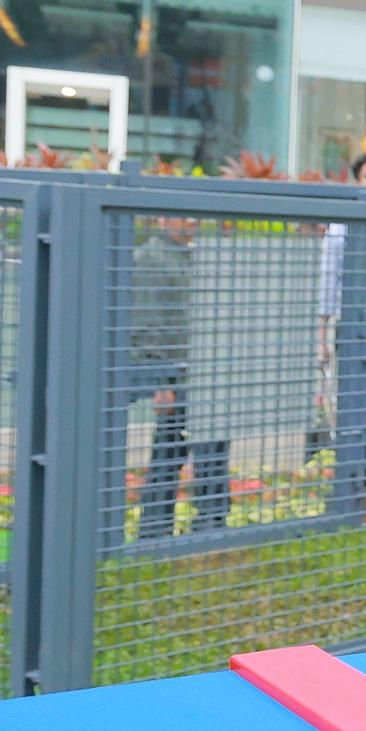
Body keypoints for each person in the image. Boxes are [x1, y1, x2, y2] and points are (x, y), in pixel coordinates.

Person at [130, 215, 228, 539]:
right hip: (177, 378)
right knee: (169, 456)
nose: (190, 221)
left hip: (202, 375)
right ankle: (155, 533)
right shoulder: (151, 258)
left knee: (212, 452)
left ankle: (210, 527)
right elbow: (148, 324)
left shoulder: (192, 256)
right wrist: (162, 382)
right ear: (160, 219)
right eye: (181, 214)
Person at [318, 152, 366, 519]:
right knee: (356, 406)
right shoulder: (342, 227)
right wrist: (321, 335)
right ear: (357, 182)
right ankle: (356, 486)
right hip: (357, 327)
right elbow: (328, 283)